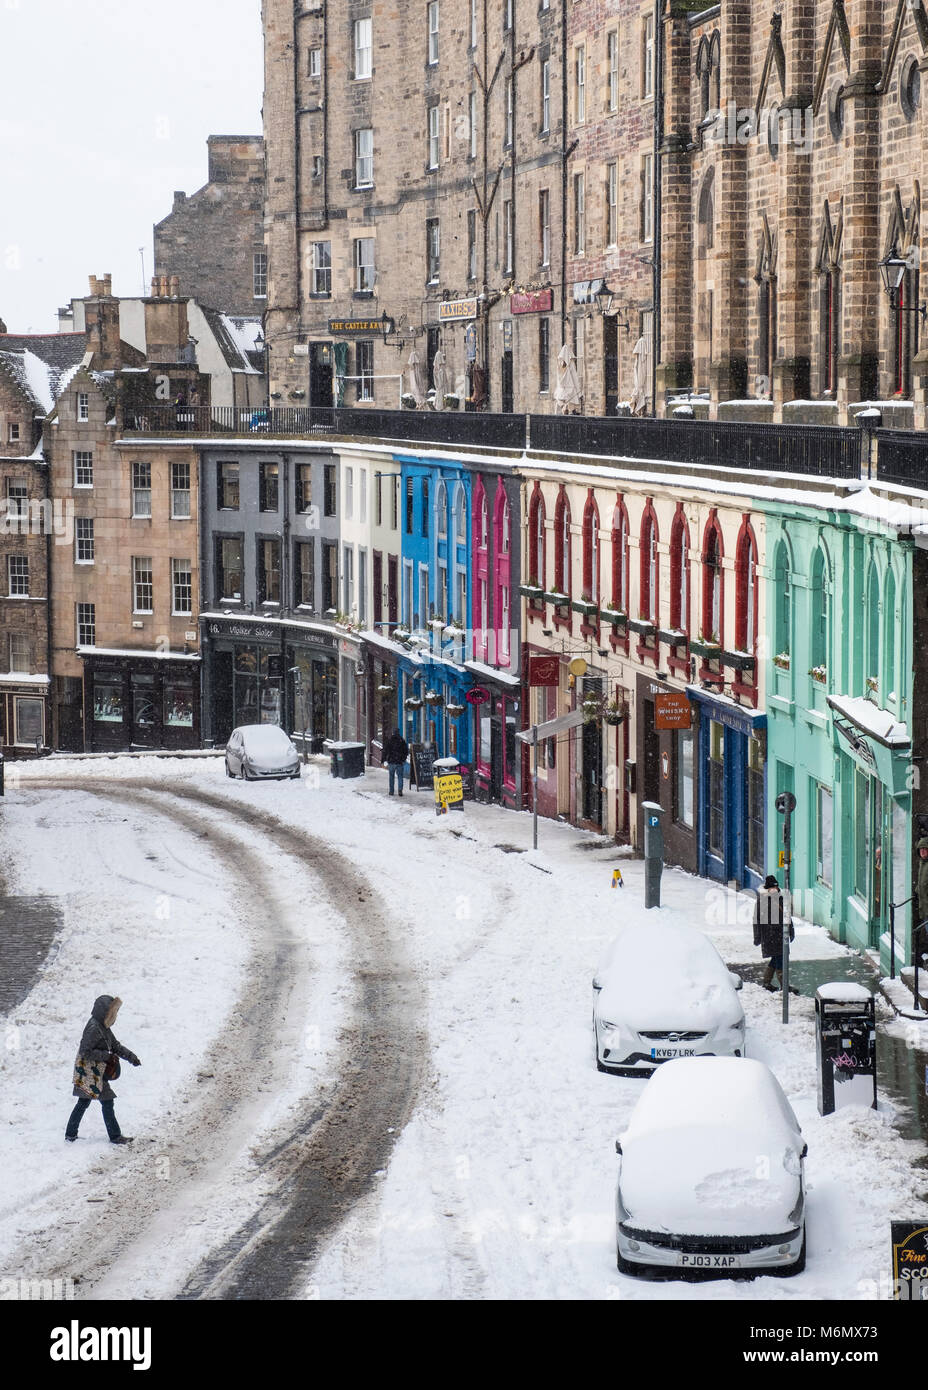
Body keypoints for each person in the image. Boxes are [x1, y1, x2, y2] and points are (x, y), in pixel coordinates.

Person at [66, 995, 141, 1145]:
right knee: (98, 1102)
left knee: (88, 1102)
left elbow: (115, 1046)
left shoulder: (102, 1027)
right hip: (89, 1073)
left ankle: (71, 1134)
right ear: (104, 1012)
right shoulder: (94, 1028)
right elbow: (85, 1052)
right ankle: (114, 1136)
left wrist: (131, 1057)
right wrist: (105, 1056)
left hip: (97, 1072)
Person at [753, 874, 796, 993]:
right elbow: (756, 920)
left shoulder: (780, 898)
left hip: (781, 935)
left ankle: (767, 982)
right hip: (770, 935)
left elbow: (787, 917)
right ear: (767, 888)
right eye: (772, 888)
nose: (775, 890)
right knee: (780, 958)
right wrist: (757, 937)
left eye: (776, 888)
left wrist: (791, 931)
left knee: (777, 958)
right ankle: (784, 986)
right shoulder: (762, 901)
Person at [383, 727, 409, 796]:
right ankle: (400, 790)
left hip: (391, 761)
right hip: (399, 762)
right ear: (398, 732)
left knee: (391, 777)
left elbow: (385, 751)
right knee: (400, 776)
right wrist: (403, 759)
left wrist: (384, 759)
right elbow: (406, 751)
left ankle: (391, 791)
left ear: (393, 733)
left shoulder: (390, 740)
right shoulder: (402, 741)